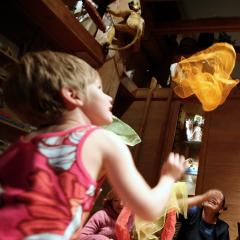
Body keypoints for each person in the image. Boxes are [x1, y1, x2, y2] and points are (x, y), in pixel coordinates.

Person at [0, 50, 186, 239]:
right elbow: (149, 210)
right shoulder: (102, 140)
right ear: (73, 95)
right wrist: (168, 176)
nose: (109, 98)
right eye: (99, 89)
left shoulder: (20, 146)